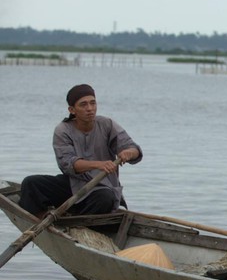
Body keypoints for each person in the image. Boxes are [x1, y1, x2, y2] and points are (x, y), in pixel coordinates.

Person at [18, 84, 142, 217]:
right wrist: (98, 164)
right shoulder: (63, 130)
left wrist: (129, 153)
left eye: (92, 103)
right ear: (72, 110)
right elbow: (68, 164)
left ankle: (74, 218)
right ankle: (44, 216)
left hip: (102, 187)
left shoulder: (107, 124)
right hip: (73, 185)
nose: (90, 109)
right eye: (83, 105)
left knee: (105, 198)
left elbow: (134, 149)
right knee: (30, 183)